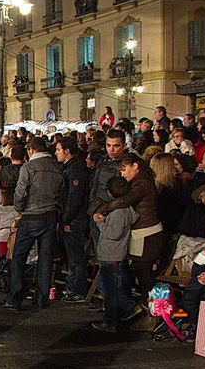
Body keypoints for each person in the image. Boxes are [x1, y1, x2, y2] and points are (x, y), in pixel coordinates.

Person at [0, 137, 64, 310]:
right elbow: (61, 192)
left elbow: (20, 191)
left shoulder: (29, 167)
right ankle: (42, 297)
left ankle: (16, 296)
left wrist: (20, 209)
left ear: (32, 150)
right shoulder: (56, 167)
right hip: (50, 215)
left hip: (31, 215)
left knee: (18, 256)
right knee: (45, 258)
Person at [95, 153, 165, 303]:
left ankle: (153, 309)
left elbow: (123, 201)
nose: (123, 173)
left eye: (124, 169)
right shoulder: (142, 182)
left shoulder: (141, 184)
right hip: (143, 231)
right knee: (141, 273)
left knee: (144, 274)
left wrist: (103, 211)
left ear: (135, 166)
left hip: (146, 233)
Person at [91, 176, 142, 332]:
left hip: (111, 254)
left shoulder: (119, 211)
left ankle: (121, 312)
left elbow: (113, 233)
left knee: (108, 287)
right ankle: (121, 310)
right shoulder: (127, 209)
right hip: (117, 254)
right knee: (107, 285)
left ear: (110, 193)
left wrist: (100, 221)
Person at [56, 137, 90, 303]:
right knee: (72, 255)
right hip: (71, 217)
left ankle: (78, 289)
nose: (56, 153)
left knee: (76, 256)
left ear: (67, 151)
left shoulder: (75, 170)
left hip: (75, 219)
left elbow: (74, 198)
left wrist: (66, 218)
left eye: (58, 149)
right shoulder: (68, 168)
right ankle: (72, 286)